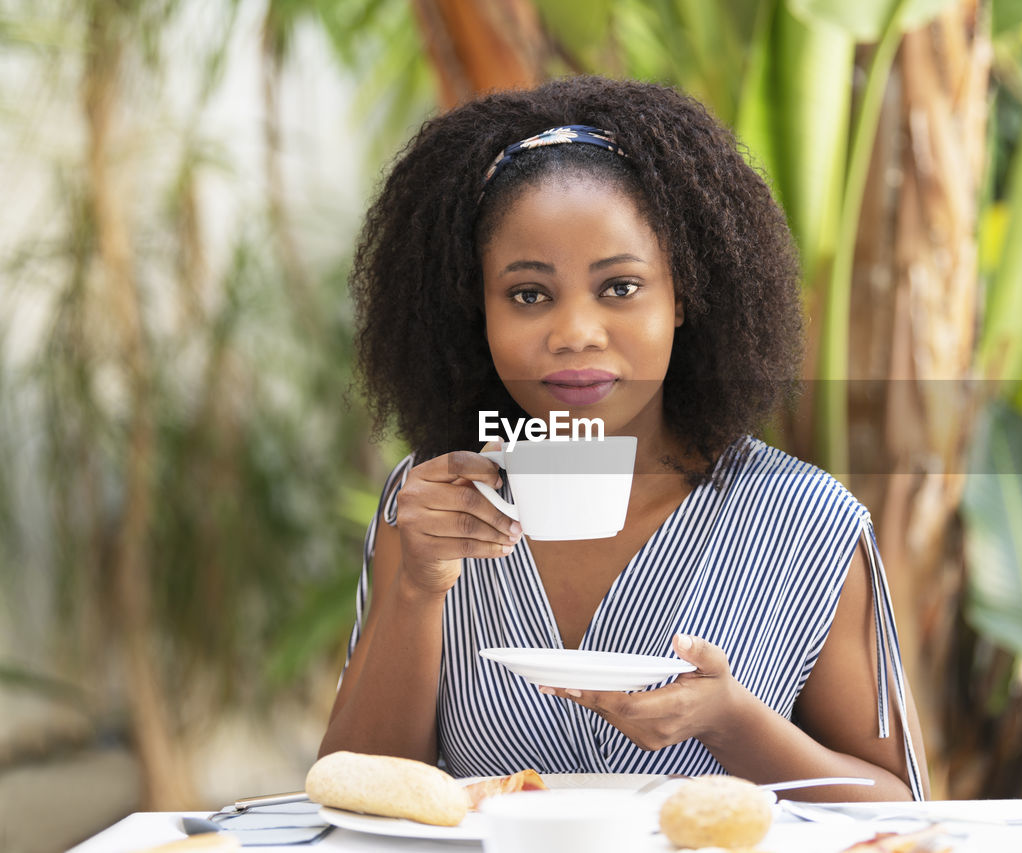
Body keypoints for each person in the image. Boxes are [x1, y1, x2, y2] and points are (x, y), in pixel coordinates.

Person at [319, 75, 928, 802]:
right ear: (474, 313)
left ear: (684, 297)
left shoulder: (808, 525)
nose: (574, 332)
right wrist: (418, 585)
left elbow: (900, 809)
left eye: (619, 287)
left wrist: (731, 721)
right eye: (528, 294)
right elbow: (352, 793)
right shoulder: (434, 504)